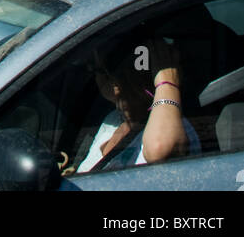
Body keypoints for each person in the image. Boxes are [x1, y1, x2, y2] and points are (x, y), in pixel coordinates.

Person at [76, 39, 199, 172]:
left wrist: (167, 83)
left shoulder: (173, 126)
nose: (112, 84)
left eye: (101, 70)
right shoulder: (112, 120)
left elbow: (158, 148)